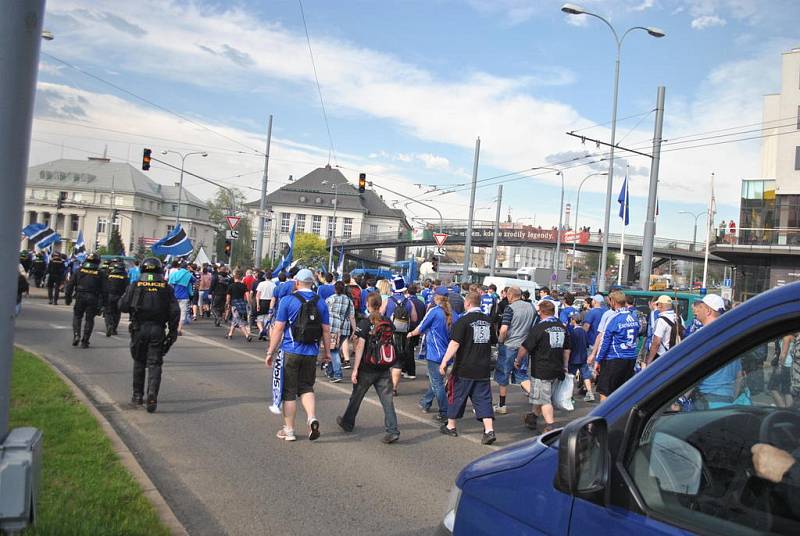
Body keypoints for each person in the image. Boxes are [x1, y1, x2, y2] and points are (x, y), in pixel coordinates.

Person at [265, 269, 331, 442]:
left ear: (297, 283)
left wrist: (270, 351)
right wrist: (327, 352)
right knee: (307, 387)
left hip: (291, 350)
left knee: (289, 392)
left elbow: (278, 328)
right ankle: (311, 418)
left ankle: (289, 430)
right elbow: (326, 330)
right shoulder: (321, 303)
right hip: (311, 352)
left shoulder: (288, 301)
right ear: (312, 283)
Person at [337, 292, 400, 444]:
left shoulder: (365, 323)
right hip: (383, 367)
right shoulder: (387, 322)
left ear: (368, 304)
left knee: (356, 397)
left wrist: (355, 369)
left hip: (367, 367)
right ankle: (392, 430)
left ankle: (347, 422)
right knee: (387, 400)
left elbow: (360, 347)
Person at [118, 257, 180, 413]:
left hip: (139, 328)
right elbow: (175, 311)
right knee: (155, 363)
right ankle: (152, 394)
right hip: (158, 329)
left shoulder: (136, 285)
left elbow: (123, 306)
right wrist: (172, 331)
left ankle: (137, 396)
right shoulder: (166, 287)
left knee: (139, 361)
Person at [438, 291, 496, 445]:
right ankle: (489, 430)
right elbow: (493, 342)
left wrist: (444, 361)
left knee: (456, 395)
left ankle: (451, 426)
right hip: (483, 367)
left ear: (468, 303)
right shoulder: (488, 320)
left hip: (465, 366)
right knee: (483, 399)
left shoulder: (463, 321)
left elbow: (455, 343)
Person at [517, 300, 571, 433]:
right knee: (541, 395)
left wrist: (518, 359)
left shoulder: (539, 328)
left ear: (541, 312)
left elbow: (525, 346)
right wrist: (565, 365)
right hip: (557, 367)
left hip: (542, 368)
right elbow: (567, 349)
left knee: (544, 399)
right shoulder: (562, 327)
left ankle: (550, 425)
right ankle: (533, 417)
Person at [407, 287, 452, 422]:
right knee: (436, 380)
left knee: (437, 383)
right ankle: (425, 402)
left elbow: (421, 327)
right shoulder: (451, 313)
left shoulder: (435, 311)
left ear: (436, 297)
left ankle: (444, 411)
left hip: (435, 353)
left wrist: (410, 334)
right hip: (448, 352)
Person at [495, 286, 535, 414]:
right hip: (524, 346)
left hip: (509, 345)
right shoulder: (531, 307)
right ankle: (539, 398)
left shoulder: (510, 308)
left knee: (503, 375)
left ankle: (502, 405)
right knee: (521, 374)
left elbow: (504, 329)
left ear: (510, 295)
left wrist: (500, 341)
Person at [594, 291, 640, 400]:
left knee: (605, 392)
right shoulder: (634, 317)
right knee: (623, 392)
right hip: (631, 357)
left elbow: (605, 341)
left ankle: (604, 415)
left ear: (613, 302)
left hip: (614, 358)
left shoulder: (614, 317)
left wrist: (598, 360)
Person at [381, 276, 418, 394]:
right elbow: (414, 319)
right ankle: (394, 388)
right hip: (403, 336)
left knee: (386, 359)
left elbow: (381, 315)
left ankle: (385, 385)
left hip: (388, 334)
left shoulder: (388, 300)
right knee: (398, 363)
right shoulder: (409, 302)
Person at [64, 252, 104, 348]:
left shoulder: (79, 271)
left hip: (80, 296)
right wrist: (103, 304)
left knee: (77, 316)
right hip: (93, 298)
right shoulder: (100, 273)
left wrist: (68, 298)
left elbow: (70, 285)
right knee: (89, 319)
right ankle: (85, 341)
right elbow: (105, 290)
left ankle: (76, 335)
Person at [325, 281, 356, 383]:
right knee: (335, 350)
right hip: (344, 328)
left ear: (334, 289)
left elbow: (324, 314)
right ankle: (330, 371)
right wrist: (354, 329)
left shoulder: (330, 299)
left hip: (333, 327)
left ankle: (337, 373)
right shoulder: (349, 301)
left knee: (333, 351)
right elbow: (351, 316)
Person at [645, 295, 683, 366]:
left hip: (662, 357)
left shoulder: (661, 320)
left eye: (657, 304)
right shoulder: (679, 318)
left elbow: (656, 343)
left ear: (660, 305)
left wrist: (649, 361)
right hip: (676, 355)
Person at [568, 314, 594, 402]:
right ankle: (590, 393)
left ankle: (570, 396)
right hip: (583, 357)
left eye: (571, 319)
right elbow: (587, 344)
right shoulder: (583, 331)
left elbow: (570, 346)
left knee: (571, 377)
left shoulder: (573, 332)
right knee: (586, 375)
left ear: (574, 321)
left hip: (574, 357)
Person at [102, 259, 129, 336]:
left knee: (108, 312)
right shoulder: (124, 276)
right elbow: (127, 288)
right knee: (117, 313)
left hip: (109, 295)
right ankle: (114, 329)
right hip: (119, 297)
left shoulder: (109, 274)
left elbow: (105, 285)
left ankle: (109, 325)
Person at [168, 262, 194, 335]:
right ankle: (179, 329)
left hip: (174, 296)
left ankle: (172, 328)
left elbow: (170, 284)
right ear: (186, 268)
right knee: (182, 314)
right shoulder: (189, 275)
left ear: (179, 267)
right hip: (184, 297)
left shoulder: (174, 274)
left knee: (173, 312)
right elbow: (194, 280)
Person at [225, 270, 252, 341]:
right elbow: (247, 295)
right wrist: (249, 303)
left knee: (239, 320)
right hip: (242, 303)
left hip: (234, 304)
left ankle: (247, 335)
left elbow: (228, 296)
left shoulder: (231, 286)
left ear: (234, 278)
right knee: (235, 319)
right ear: (241, 278)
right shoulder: (243, 285)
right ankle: (230, 334)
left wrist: (227, 303)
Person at [254, 270, 275, 341]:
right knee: (267, 319)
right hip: (270, 302)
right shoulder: (274, 285)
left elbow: (257, 295)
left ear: (265, 277)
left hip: (262, 301)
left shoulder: (261, 284)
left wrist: (257, 304)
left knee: (259, 319)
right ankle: (264, 332)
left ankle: (261, 330)